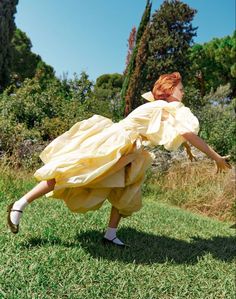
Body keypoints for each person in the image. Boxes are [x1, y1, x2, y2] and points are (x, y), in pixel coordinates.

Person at [7, 72, 231, 247]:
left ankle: (110, 235)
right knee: (75, 172)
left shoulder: (161, 108)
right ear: (171, 90)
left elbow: (179, 134)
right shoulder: (167, 106)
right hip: (119, 143)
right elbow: (188, 133)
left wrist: (189, 151)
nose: (183, 93)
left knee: (126, 189)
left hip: (133, 151)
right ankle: (19, 205)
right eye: (181, 89)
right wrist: (216, 157)